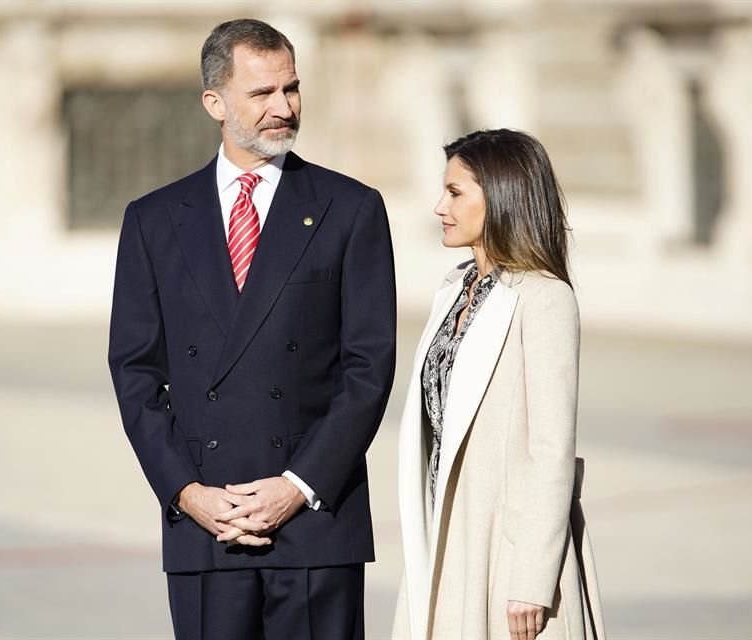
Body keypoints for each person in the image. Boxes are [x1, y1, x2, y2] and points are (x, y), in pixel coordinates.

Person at [107, 18, 396, 640]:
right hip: (208, 525)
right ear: (215, 101)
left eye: (291, 89)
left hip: (316, 521)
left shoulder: (352, 209)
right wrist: (187, 492)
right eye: (261, 94)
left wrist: (297, 486)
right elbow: (135, 374)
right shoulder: (153, 221)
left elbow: (368, 370)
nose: (283, 108)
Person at [391, 129, 605, 640]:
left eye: (456, 192)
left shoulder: (544, 299)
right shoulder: (455, 287)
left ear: (503, 197)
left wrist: (532, 577)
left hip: (506, 556)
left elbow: (551, 447)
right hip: (447, 539)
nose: (439, 205)